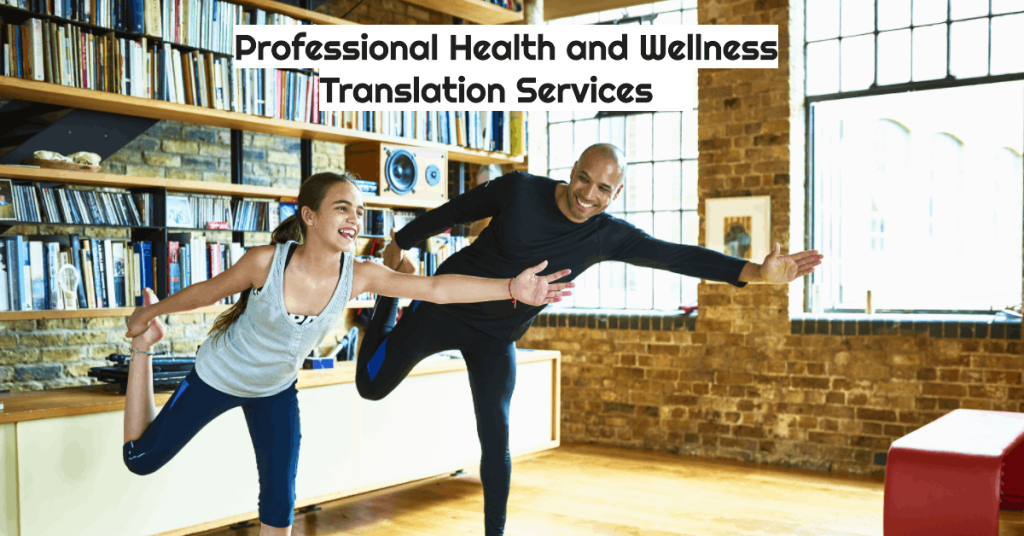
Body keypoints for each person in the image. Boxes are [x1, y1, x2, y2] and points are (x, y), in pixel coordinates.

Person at [358, 143, 824, 536]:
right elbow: (453, 213)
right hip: (445, 304)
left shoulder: (606, 236)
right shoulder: (520, 190)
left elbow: (675, 257)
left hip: (496, 337)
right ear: (572, 172)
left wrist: (754, 274)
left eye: (604, 188)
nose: (588, 195)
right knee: (371, 387)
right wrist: (399, 245)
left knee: (496, 437)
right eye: (584, 179)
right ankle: (387, 305)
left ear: (616, 192)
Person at [120, 171, 575, 536]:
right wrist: (149, 317)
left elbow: (436, 288)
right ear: (310, 216)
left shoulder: (360, 275)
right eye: (343, 207)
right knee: (141, 461)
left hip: (275, 392)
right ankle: (144, 355)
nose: (354, 218)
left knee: (279, 510)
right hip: (217, 377)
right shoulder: (265, 261)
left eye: (359, 210)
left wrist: (510, 289)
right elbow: (206, 292)